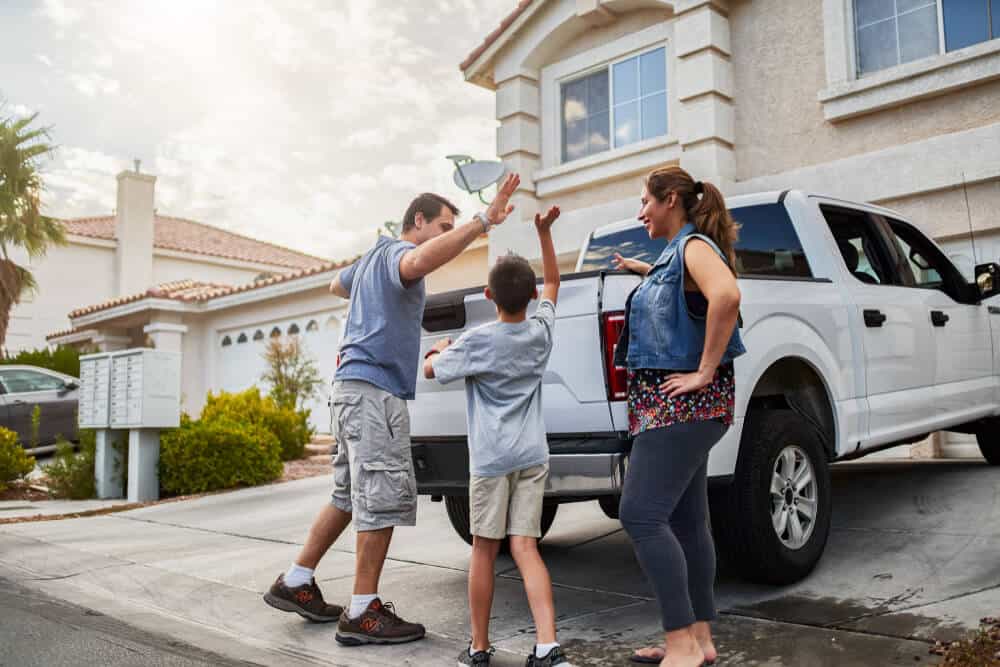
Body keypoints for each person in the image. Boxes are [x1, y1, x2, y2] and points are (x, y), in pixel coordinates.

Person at [262, 174, 521, 647]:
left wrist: (371, 293)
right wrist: (483, 221)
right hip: (373, 391)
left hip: (350, 389)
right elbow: (419, 259)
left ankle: (297, 580)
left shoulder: (370, 261)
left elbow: (332, 285)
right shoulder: (398, 256)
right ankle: (363, 612)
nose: (445, 235)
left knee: (347, 494)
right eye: (442, 226)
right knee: (380, 496)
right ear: (416, 220)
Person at [424, 205, 574, 667]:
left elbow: (431, 370)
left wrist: (440, 347)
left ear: (489, 295)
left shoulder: (477, 340)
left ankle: (480, 647)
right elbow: (555, 283)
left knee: (485, 552)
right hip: (532, 455)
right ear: (530, 296)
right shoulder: (541, 333)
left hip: (490, 461)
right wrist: (544, 233)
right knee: (526, 548)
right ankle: (547, 644)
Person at [611, 166, 745, 667]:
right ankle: (702, 639)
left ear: (671, 199)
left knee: (640, 514)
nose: (640, 211)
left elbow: (726, 295)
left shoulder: (694, 248)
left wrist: (705, 369)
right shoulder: (677, 254)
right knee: (688, 522)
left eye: (644, 201)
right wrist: (639, 270)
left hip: (680, 405)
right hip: (671, 408)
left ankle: (682, 642)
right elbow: (679, 290)